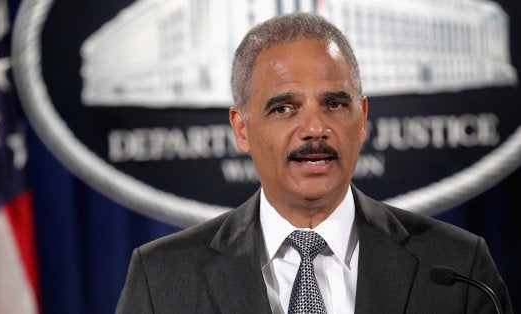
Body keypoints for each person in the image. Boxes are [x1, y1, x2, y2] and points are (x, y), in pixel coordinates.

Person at [116, 12, 512, 313]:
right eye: (285, 108)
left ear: (362, 119)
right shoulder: (162, 278)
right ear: (242, 129)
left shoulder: (457, 268)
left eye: (335, 104)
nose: (315, 129)